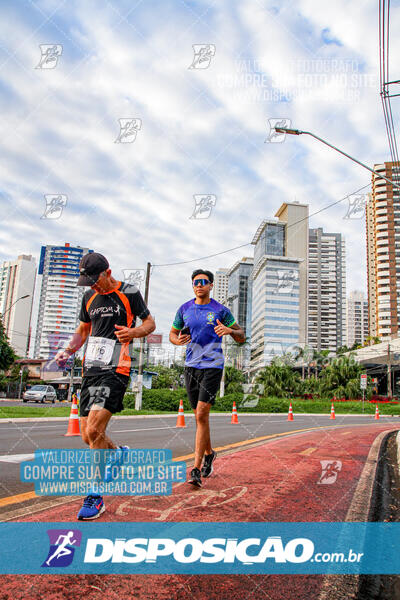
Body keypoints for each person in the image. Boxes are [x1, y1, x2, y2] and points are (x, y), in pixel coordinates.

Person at [55, 252, 155, 519]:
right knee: (88, 435)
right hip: (91, 370)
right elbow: (83, 330)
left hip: (116, 368)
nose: (92, 286)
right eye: (87, 281)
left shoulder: (129, 292)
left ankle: (95, 496)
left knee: (96, 428)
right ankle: (118, 454)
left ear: (107, 273)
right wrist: (68, 350)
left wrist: (134, 332)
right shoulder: (88, 297)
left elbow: (150, 323)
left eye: (94, 280)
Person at [169, 269, 245, 488]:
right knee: (200, 417)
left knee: (201, 413)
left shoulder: (221, 310)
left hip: (213, 366)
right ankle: (210, 454)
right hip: (191, 366)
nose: (199, 285)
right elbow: (173, 334)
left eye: (203, 282)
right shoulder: (184, 309)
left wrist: (229, 331)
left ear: (211, 285)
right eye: (195, 282)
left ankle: (195, 468)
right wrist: (178, 341)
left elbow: (242, 336)